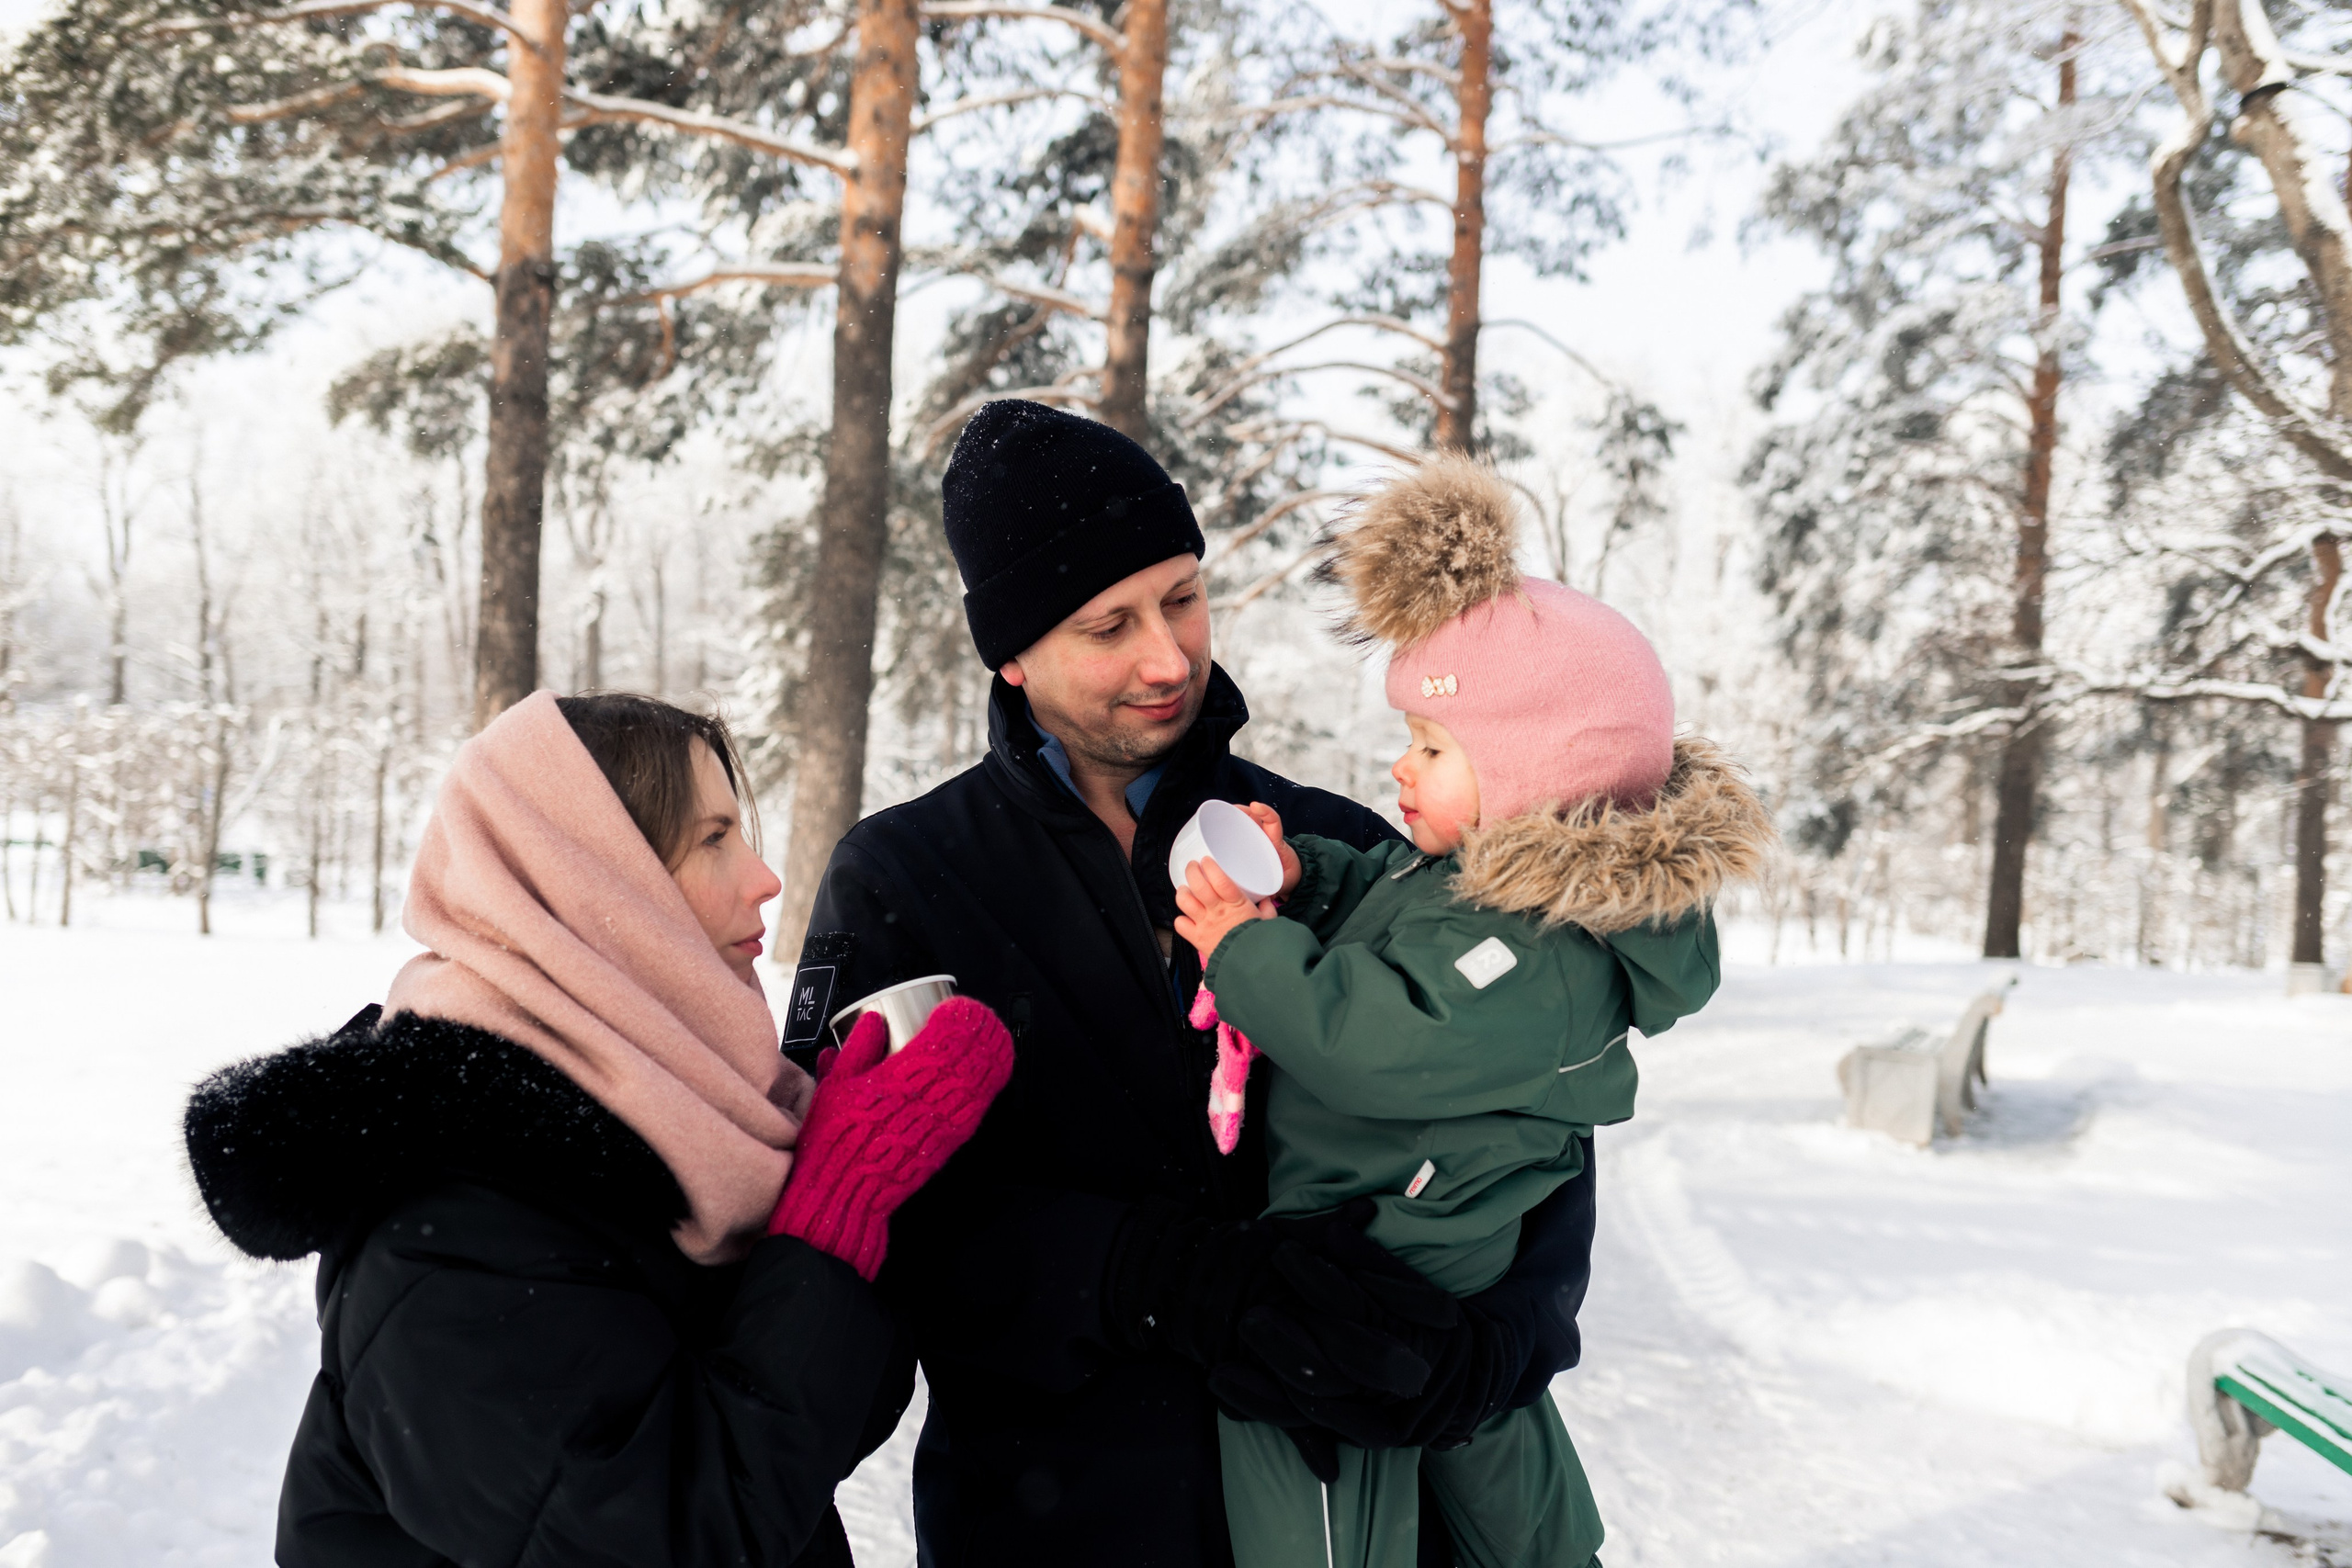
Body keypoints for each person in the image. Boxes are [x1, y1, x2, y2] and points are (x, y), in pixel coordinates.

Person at [789, 400, 1608, 1567]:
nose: (1167, 657)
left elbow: (1527, 1111)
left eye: (1181, 597)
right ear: (1011, 654)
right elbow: (870, 1219)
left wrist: (1499, 1346)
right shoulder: (906, 878)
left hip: (1354, 1506)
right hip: (1059, 1516)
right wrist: (1155, 1277)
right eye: (1106, 624)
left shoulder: (1334, 844)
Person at [183, 691, 1012, 1567]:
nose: (765, 878)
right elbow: (677, 1533)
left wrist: (855, 1195)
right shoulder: (449, 1239)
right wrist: (828, 1223)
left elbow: (805, 1448)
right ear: (595, 886)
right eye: (713, 839)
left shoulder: (679, 1127)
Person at [1174, 456, 1774, 1567]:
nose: (1400, 770)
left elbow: (1381, 1045)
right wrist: (1302, 876)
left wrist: (1245, 950)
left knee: (1323, 1458)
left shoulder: (1539, 952)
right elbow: (1390, 919)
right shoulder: (1474, 889)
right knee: (1478, 1446)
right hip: (1404, 1246)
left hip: (1386, 1264)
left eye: (1433, 748)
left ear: (1537, 774)